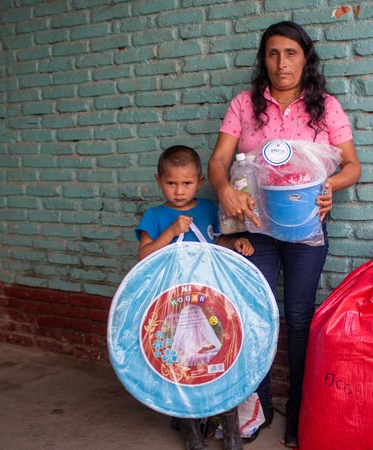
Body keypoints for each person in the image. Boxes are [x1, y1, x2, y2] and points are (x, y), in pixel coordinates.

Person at [208, 21, 361, 447]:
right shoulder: (245, 104)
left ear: (305, 58)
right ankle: (255, 407)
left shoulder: (325, 107)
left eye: (291, 53)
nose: (281, 63)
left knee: (298, 318)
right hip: (256, 228)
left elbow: (352, 165)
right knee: (256, 316)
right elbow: (219, 160)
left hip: (306, 229)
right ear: (264, 60)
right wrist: (223, 189)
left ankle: (299, 415)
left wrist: (330, 186)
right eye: (273, 54)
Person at [136, 145, 254, 450]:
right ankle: (190, 430)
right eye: (171, 183)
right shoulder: (155, 216)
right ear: (158, 181)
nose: (178, 191)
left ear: (199, 182)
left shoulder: (206, 209)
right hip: (173, 307)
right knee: (182, 363)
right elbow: (144, 258)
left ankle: (231, 429)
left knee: (222, 356)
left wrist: (235, 242)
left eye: (186, 183)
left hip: (211, 302)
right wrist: (172, 231)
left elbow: (215, 241)